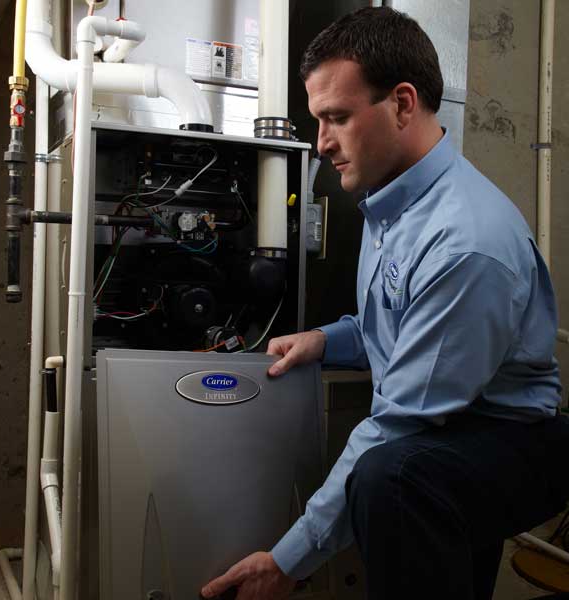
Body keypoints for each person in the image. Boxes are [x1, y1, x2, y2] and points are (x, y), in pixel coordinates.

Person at [201, 7, 569, 600]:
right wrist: (329, 339)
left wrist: (288, 561)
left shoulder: (464, 243)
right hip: (456, 422)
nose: (321, 143)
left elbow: (403, 421)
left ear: (402, 104)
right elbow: (403, 323)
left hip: (510, 440)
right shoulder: (391, 199)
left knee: (388, 478)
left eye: (337, 118)